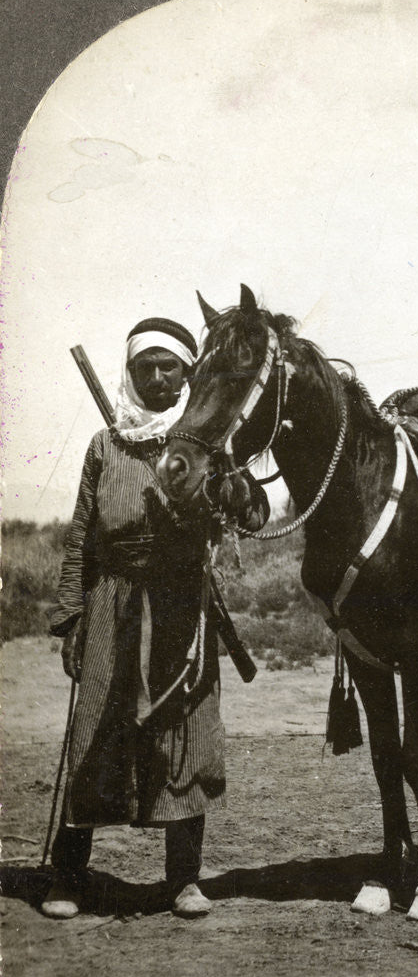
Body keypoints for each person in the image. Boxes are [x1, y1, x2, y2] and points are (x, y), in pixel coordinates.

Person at [43, 317, 267, 920]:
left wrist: (228, 492)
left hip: (180, 607)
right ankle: (67, 877)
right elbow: (79, 537)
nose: (160, 377)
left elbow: (248, 515)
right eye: (148, 367)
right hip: (111, 604)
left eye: (171, 366)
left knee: (184, 734)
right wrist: (71, 621)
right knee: (94, 731)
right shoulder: (105, 445)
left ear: (190, 375)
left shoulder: (205, 447)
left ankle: (184, 881)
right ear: (132, 374)